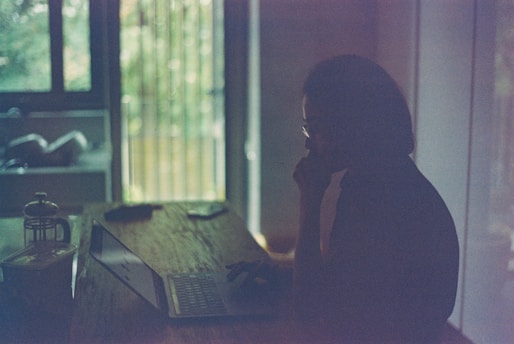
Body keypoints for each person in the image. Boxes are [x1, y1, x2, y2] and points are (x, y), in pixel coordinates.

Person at [227, 54, 459, 343]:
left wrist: (310, 202)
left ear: (354, 123)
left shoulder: (380, 201)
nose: (309, 141)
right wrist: (279, 276)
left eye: (316, 126)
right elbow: (341, 286)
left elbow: (310, 311)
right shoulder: (389, 181)